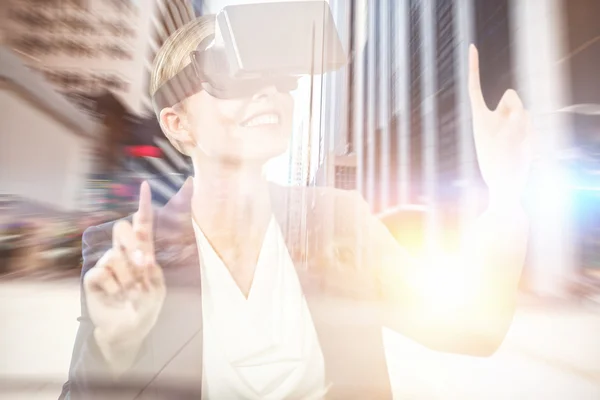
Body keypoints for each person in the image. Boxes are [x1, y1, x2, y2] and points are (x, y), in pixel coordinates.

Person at [61, 14, 532, 400]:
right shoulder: (121, 256)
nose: (266, 91)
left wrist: (506, 193)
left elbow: (472, 329)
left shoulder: (341, 223)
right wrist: (113, 349)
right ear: (178, 124)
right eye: (229, 73)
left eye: (276, 76)